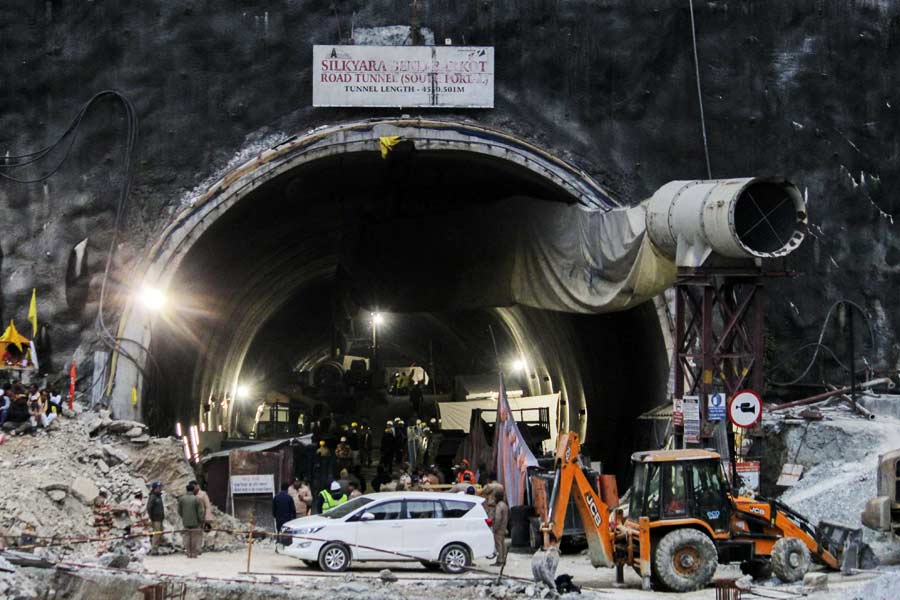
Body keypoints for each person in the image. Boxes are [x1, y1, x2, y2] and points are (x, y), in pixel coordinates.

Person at [177, 483, 205, 558]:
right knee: (194, 537)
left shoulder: (182, 499)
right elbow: (200, 512)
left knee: (187, 537)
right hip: (195, 522)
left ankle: (188, 552)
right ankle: (193, 553)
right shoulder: (197, 499)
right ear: (193, 490)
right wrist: (201, 520)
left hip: (185, 521)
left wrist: (184, 516)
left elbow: (179, 510)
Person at [491, 490, 509, 567]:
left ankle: (499, 561)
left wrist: (495, 527)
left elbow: (498, 518)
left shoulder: (499, 506)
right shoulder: (504, 505)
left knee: (498, 545)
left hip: (499, 528)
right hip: (504, 526)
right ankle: (503, 559)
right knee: (502, 544)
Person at [92, 491, 113, 556]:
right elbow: (107, 513)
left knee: (99, 537)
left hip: (97, 522)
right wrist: (110, 522)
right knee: (104, 537)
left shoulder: (95, 501)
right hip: (104, 522)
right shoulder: (104, 502)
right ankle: (101, 551)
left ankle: (101, 550)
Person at [147, 482, 165, 554]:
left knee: (160, 534)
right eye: (159, 488)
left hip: (160, 518)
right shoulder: (153, 497)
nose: (160, 489)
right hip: (155, 519)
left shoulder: (159, 496)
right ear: (155, 489)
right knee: (156, 534)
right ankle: (154, 550)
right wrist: (152, 517)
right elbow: (149, 508)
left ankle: (157, 548)